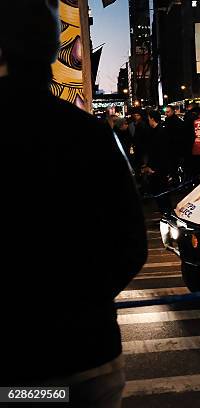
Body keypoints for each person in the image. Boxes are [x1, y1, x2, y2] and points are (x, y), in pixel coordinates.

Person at [0, 1, 147, 406]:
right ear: (53, 51)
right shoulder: (93, 136)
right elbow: (133, 244)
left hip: (17, 366)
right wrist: (86, 299)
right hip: (90, 354)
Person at [143, 109, 172, 214]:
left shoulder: (160, 132)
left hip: (159, 169)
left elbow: (161, 153)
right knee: (158, 190)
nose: (148, 120)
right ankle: (164, 211)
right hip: (156, 167)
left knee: (161, 191)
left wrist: (153, 168)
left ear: (152, 118)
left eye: (148, 118)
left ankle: (166, 212)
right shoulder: (155, 131)